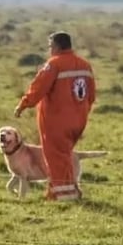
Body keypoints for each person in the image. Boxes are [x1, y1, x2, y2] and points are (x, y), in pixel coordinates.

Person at [14, 31, 96, 201]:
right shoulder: (85, 65)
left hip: (57, 122)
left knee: (55, 157)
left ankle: (62, 195)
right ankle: (68, 190)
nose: (50, 50)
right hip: (78, 121)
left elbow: (38, 88)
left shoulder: (54, 64)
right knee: (65, 155)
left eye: (50, 46)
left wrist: (23, 104)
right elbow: (91, 95)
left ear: (57, 46)